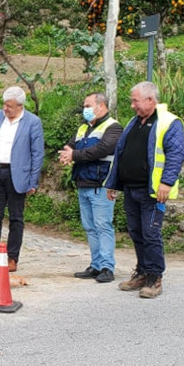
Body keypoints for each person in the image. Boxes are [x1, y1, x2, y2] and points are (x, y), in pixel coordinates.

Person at [105, 81, 184, 298]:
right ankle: (141, 271)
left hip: (152, 192)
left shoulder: (169, 122)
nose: (132, 105)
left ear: (150, 100)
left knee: (150, 234)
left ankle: (154, 276)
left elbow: (176, 155)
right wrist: (113, 183)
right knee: (136, 232)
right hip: (131, 189)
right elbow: (122, 153)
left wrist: (166, 183)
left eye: (135, 101)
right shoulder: (135, 122)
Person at [0, 86, 45, 272]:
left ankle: (12, 258)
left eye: (9, 106)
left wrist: (33, 181)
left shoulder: (32, 122)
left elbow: (37, 154)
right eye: (4, 105)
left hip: (18, 175)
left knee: (16, 218)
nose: (5, 109)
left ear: (20, 106)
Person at [58, 92, 123, 283]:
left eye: (87, 106)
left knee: (103, 226)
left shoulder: (113, 128)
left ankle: (107, 267)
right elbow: (68, 147)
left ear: (101, 106)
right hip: (83, 184)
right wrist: (66, 155)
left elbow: (102, 149)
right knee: (90, 227)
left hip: (101, 185)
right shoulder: (83, 129)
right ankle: (95, 265)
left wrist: (75, 155)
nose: (84, 110)